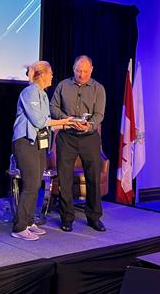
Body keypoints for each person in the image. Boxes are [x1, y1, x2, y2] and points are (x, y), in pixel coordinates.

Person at [11, 61, 74, 241]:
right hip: (25, 142)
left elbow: (46, 123)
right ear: (42, 74)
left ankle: (29, 221)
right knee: (30, 184)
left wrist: (68, 124)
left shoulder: (43, 94)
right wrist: (64, 121)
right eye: (51, 73)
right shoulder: (30, 92)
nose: (52, 76)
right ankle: (19, 227)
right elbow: (39, 121)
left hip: (39, 142)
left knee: (36, 183)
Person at [50, 55, 106, 232]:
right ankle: (67, 218)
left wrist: (89, 125)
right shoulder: (63, 85)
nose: (81, 75)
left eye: (85, 71)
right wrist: (67, 119)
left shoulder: (98, 88)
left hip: (89, 138)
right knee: (64, 179)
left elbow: (99, 114)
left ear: (92, 70)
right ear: (73, 69)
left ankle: (94, 217)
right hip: (67, 137)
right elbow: (53, 107)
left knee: (93, 178)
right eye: (78, 71)